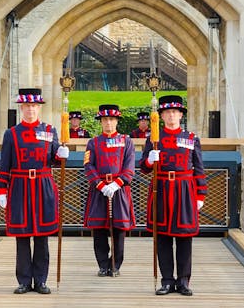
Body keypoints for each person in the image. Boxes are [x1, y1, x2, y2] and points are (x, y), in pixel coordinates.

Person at [0, 88, 69, 295]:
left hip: (43, 186)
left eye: (34, 106)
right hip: (20, 186)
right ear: (21, 108)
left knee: (42, 236)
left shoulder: (49, 130)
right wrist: (2, 190)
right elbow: (5, 164)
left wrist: (61, 154)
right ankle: (24, 281)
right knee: (22, 236)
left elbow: (54, 159)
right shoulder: (12, 134)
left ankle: (41, 280)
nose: (30, 110)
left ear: (39, 108)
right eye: (27, 106)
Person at [139, 95, 206, 296]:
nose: (171, 116)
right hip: (161, 189)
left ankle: (184, 280)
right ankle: (167, 280)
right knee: (163, 237)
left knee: (184, 237)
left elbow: (199, 168)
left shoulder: (191, 138)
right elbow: (143, 168)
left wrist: (200, 194)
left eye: (175, 112)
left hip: (185, 189)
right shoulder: (154, 139)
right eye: (167, 112)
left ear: (180, 115)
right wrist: (150, 160)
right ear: (161, 116)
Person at [83, 104, 136, 277]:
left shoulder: (126, 141)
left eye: (111, 119)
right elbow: (88, 166)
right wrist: (100, 185)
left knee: (119, 229)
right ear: (101, 122)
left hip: (119, 190)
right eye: (105, 120)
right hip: (99, 190)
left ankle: (115, 264)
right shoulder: (94, 142)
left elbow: (129, 167)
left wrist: (117, 183)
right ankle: (102, 264)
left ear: (117, 121)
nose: (108, 123)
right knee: (98, 229)